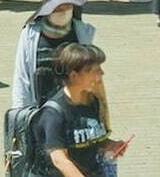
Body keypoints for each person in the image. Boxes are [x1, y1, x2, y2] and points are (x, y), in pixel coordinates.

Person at [34, 44, 127, 177]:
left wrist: (110, 145)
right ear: (74, 76)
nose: (101, 73)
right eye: (94, 70)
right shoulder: (53, 113)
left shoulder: (92, 102)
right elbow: (59, 160)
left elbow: (90, 140)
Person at [12, 0, 96, 107]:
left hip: (75, 109)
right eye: (58, 8)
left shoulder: (83, 33)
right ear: (48, 10)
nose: (64, 12)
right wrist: (21, 111)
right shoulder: (30, 35)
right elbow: (21, 77)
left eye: (68, 7)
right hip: (41, 111)